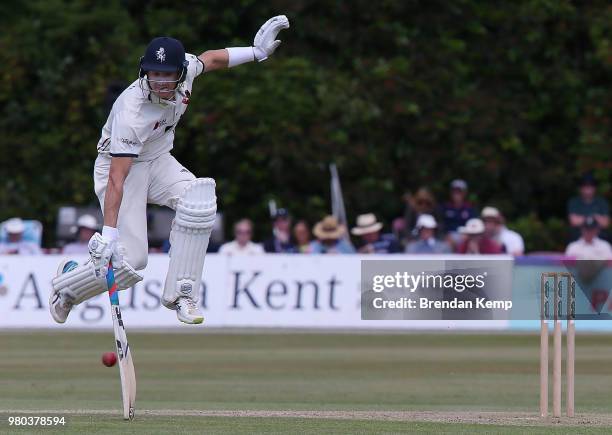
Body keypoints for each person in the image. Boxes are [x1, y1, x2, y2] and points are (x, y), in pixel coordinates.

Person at [50, 16, 291, 325]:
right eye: (154, 73)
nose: (161, 81)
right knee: (131, 263)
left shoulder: (187, 69)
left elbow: (211, 59)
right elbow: (117, 177)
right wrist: (108, 235)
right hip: (122, 169)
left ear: (179, 72)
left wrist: (256, 52)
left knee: (199, 202)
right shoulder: (132, 110)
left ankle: (182, 293)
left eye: (167, 74)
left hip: (159, 159)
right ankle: (67, 285)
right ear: (144, 71)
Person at [567, 173, 609, 241]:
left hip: (599, 236)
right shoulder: (574, 202)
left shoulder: (602, 202)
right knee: (572, 236)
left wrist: (583, 219)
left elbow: (605, 223)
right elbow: (573, 221)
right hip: (578, 236)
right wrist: (593, 217)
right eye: (585, 186)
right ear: (581, 188)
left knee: (606, 236)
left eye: (590, 186)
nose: (588, 189)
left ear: (595, 188)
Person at [440, 179, 477, 245]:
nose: (456, 194)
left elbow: (473, 225)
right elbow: (441, 225)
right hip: (449, 237)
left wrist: (467, 235)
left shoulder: (469, 208)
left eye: (459, 192)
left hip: (466, 236)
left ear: (464, 193)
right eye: (454, 191)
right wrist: (446, 235)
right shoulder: (445, 207)